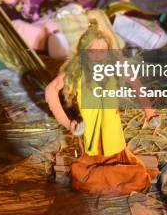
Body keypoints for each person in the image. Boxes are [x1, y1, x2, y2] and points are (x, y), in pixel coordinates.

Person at [45, 21, 159, 195]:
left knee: (138, 174)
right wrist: (68, 123)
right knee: (83, 177)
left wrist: (149, 112)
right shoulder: (76, 70)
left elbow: (135, 83)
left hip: (113, 134)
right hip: (91, 137)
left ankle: (114, 177)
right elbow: (51, 90)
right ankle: (110, 178)